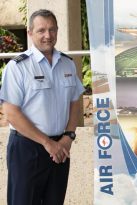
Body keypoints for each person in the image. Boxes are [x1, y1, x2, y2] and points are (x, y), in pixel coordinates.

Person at [0, 9, 85, 205]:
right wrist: (47, 143)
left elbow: (75, 102)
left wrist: (68, 137)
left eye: (52, 30)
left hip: (61, 148)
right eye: (41, 30)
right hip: (27, 148)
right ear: (30, 33)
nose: (48, 35)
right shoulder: (18, 67)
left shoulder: (67, 64)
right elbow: (11, 112)